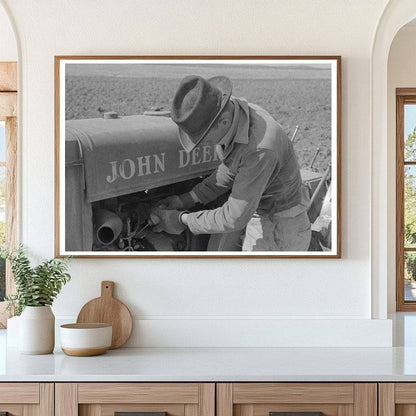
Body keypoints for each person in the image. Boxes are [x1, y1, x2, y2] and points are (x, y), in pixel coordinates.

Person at [150, 75, 311, 251]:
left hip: (280, 226)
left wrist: (181, 220)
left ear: (224, 122)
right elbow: (230, 168)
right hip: (260, 210)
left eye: (203, 139)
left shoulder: (259, 149)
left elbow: (234, 217)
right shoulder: (235, 112)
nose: (202, 145)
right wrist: (186, 200)